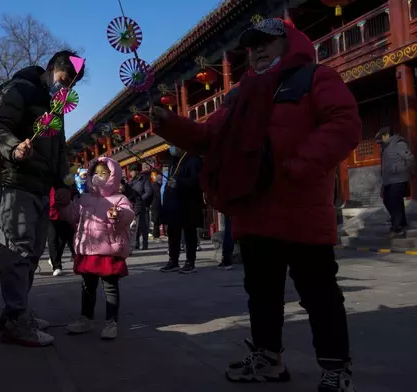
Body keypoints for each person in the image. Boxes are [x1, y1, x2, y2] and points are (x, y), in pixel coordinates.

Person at [150, 18, 361, 392]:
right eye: (253, 45)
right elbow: (207, 138)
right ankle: (267, 358)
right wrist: (169, 124)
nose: (258, 50)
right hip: (254, 211)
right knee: (262, 293)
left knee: (319, 294)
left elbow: (343, 124)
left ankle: (335, 367)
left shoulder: (315, 78)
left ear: (289, 42)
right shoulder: (238, 96)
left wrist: (296, 166)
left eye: (267, 41)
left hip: (301, 211)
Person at [0, 50, 85, 347]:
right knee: (17, 249)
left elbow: (59, 148)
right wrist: (14, 147)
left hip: (42, 186)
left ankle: (16, 311)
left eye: (71, 85)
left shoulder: (55, 104)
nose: (65, 88)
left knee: (32, 252)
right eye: (64, 80)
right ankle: (17, 319)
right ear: (52, 68)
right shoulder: (17, 90)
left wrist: (65, 182)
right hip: (13, 179)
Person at [54, 157, 134, 340]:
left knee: (110, 288)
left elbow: (128, 216)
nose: (99, 177)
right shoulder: (84, 198)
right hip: (88, 249)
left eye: (103, 173)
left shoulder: (119, 198)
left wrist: (117, 215)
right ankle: (85, 318)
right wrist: (63, 205)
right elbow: (73, 216)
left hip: (109, 250)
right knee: (87, 287)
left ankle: (111, 322)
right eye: (96, 173)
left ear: (113, 175)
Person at [159, 146, 203, 274]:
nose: (173, 148)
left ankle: (190, 261)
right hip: (174, 203)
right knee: (173, 233)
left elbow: (196, 182)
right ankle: (173, 260)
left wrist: (178, 182)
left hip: (188, 203)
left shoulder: (193, 160)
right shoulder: (174, 160)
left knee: (189, 232)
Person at [376, 127, 414, 237]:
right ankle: (401, 223)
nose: (379, 143)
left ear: (386, 135)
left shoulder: (399, 143)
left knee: (394, 202)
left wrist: (404, 171)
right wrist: (383, 183)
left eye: (380, 140)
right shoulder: (384, 148)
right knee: (388, 201)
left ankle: (396, 228)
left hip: (399, 179)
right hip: (388, 181)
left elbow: (410, 159)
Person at [47, 186, 76, 276]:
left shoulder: (65, 179)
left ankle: (55, 260)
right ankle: (56, 266)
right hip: (50, 212)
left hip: (65, 211)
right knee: (53, 238)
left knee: (62, 239)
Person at [127, 163, 153, 250]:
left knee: (143, 225)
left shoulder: (144, 179)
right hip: (133, 205)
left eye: (131, 171)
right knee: (135, 226)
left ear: (136, 171)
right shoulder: (131, 181)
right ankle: (136, 243)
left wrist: (140, 199)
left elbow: (148, 192)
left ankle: (145, 244)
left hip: (143, 205)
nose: (130, 173)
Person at [150, 172, 163, 239]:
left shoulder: (154, 185)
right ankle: (156, 234)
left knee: (156, 220)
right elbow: (158, 195)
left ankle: (156, 234)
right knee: (156, 220)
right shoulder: (157, 186)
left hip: (154, 204)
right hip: (156, 205)